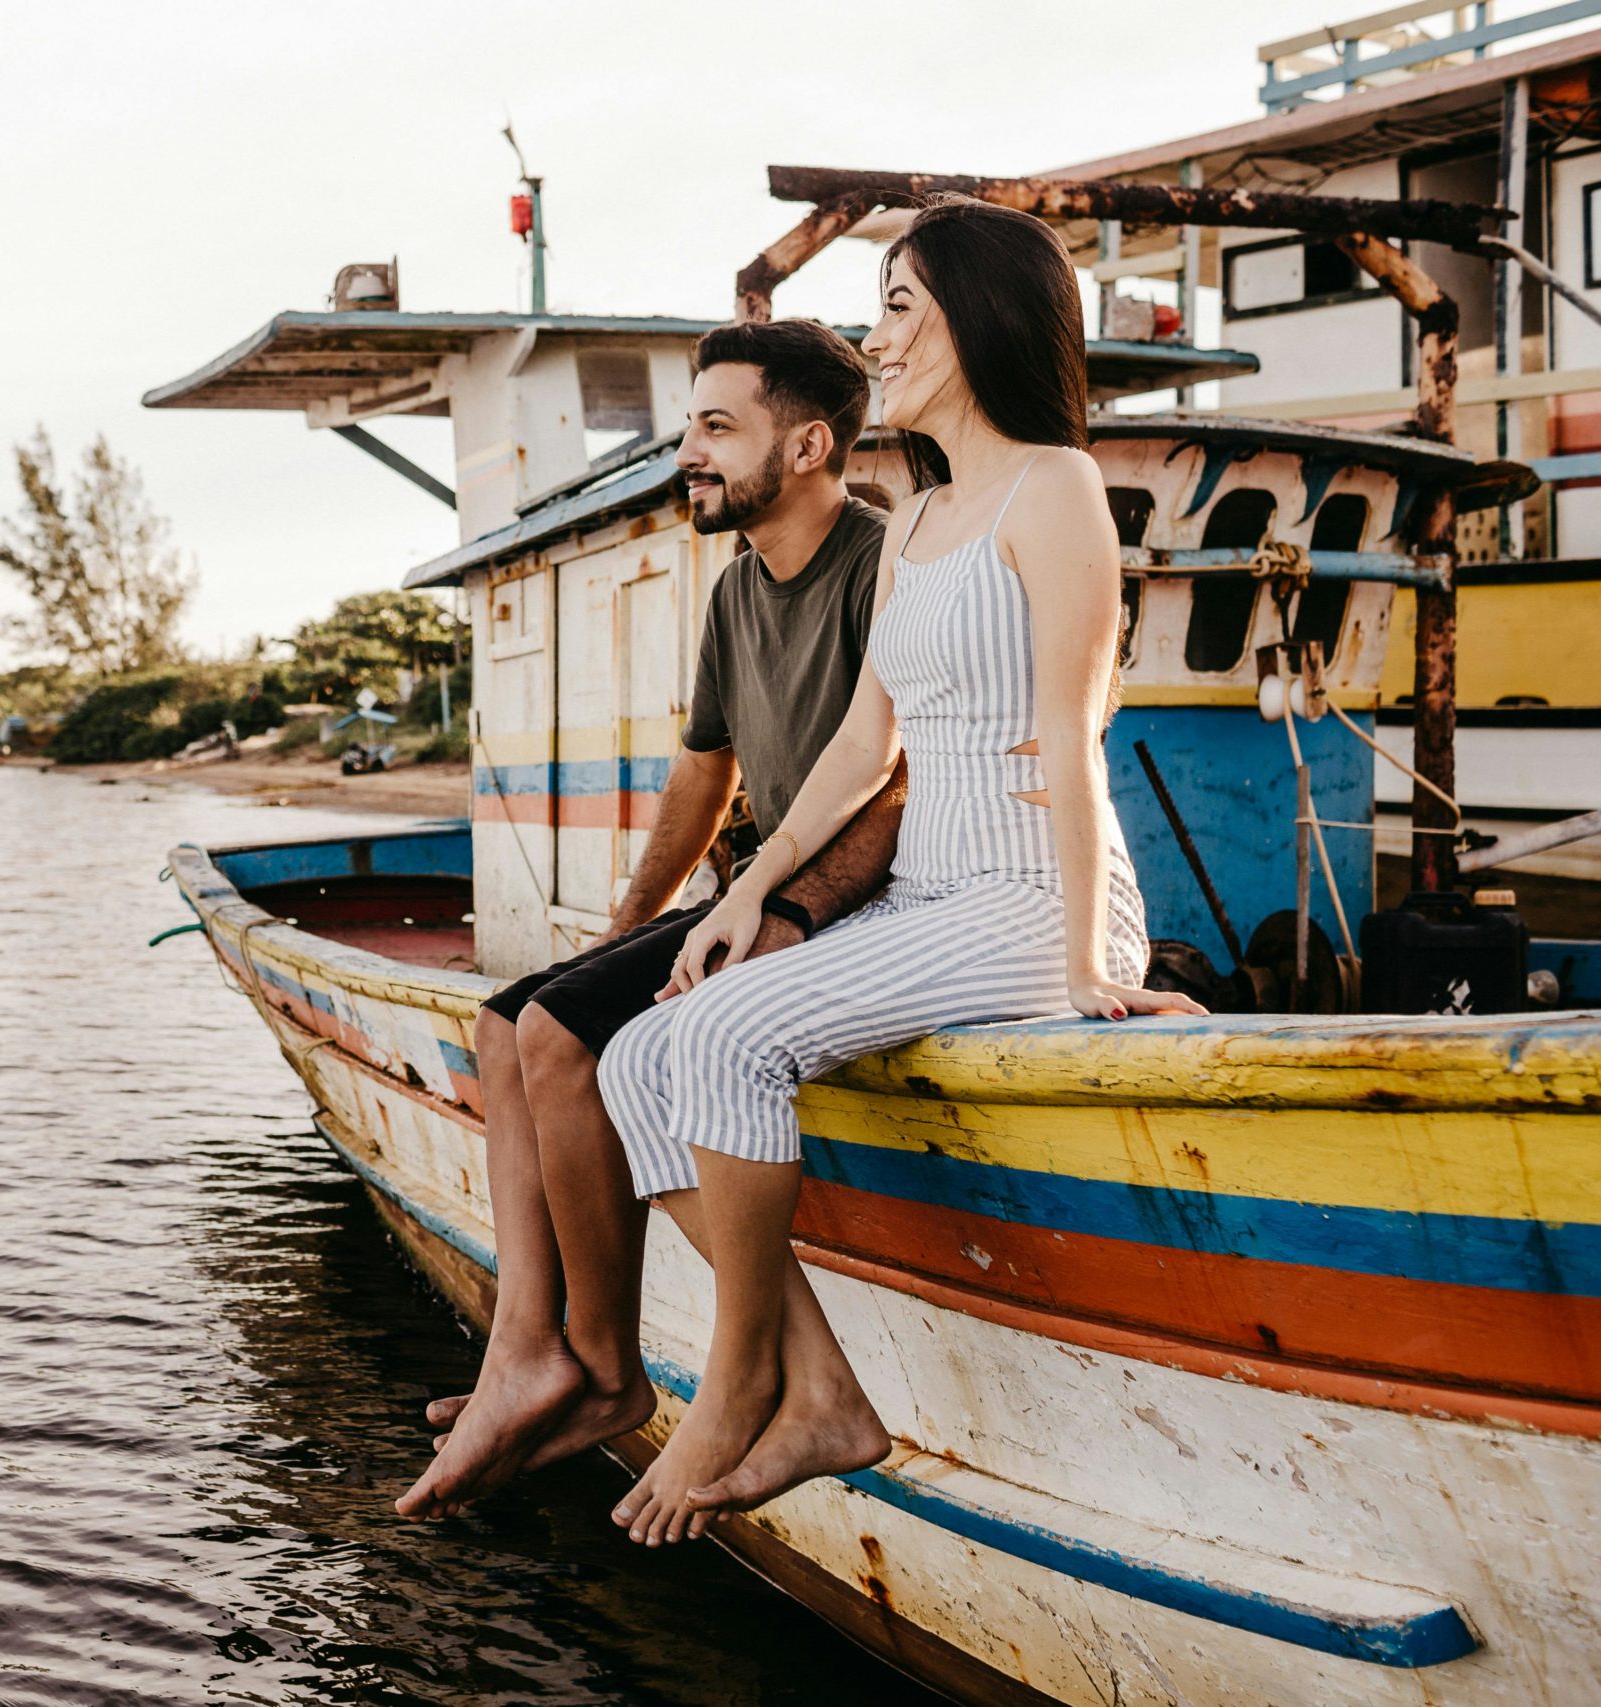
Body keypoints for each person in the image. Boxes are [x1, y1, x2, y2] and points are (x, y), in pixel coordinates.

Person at [593, 197, 1209, 1549]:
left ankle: (740, 1376)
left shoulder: (1055, 492)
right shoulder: (917, 516)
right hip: (931, 893)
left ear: (977, 322)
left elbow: (1071, 730)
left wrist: (1100, 965)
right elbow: (867, 740)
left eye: (901, 311)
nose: (882, 341)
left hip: (1033, 897)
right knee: (643, 1054)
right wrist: (752, 890)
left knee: (733, 1036)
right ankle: (816, 1385)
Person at [396, 318, 907, 1521]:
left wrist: (776, 912)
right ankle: (529, 1345)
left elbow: (896, 776)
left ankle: (606, 1365)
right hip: (751, 888)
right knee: (503, 1020)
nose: (689, 451)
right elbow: (703, 774)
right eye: (691, 426)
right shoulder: (738, 587)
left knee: (567, 1039)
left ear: (809, 446)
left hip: (843, 902)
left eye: (717, 428)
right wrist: (627, 928)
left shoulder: (880, 566)